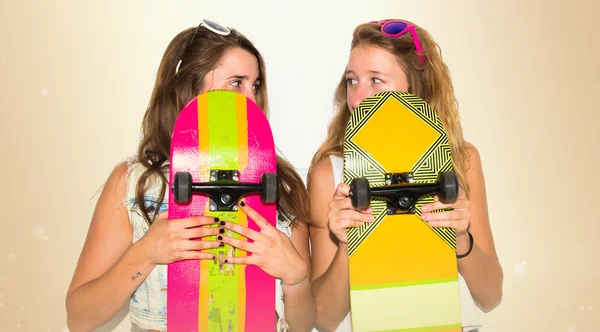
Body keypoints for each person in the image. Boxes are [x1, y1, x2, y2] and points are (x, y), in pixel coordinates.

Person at [65, 20, 315, 332]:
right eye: (236, 83)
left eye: (255, 85)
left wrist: (297, 277)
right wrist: (144, 253)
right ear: (187, 91)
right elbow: (79, 317)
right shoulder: (133, 184)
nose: (251, 99)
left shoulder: (283, 185)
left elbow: (303, 325)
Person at [307, 19, 503, 332]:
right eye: (352, 81)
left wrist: (460, 237)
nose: (357, 98)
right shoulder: (330, 173)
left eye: (376, 80)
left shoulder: (461, 161)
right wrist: (347, 245)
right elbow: (324, 319)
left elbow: (491, 295)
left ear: (417, 88)